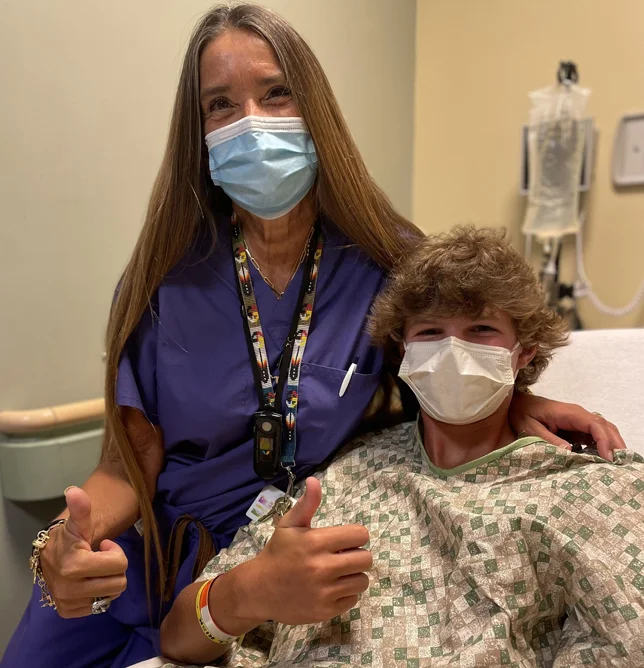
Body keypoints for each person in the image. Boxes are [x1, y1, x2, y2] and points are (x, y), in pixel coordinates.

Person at [3, 3, 623, 668]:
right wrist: (68, 543)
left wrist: (518, 401)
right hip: (154, 563)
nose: (251, 122)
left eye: (276, 93)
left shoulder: (389, 260)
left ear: (316, 109)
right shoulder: (162, 279)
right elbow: (126, 467)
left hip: (292, 552)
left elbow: (444, 360)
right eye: (220, 105)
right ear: (199, 132)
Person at [160, 227, 644, 667]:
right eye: (431, 332)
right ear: (403, 354)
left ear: (524, 354)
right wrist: (245, 594)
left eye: (481, 330)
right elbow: (177, 638)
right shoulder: (345, 476)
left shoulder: (588, 494)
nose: (453, 351)